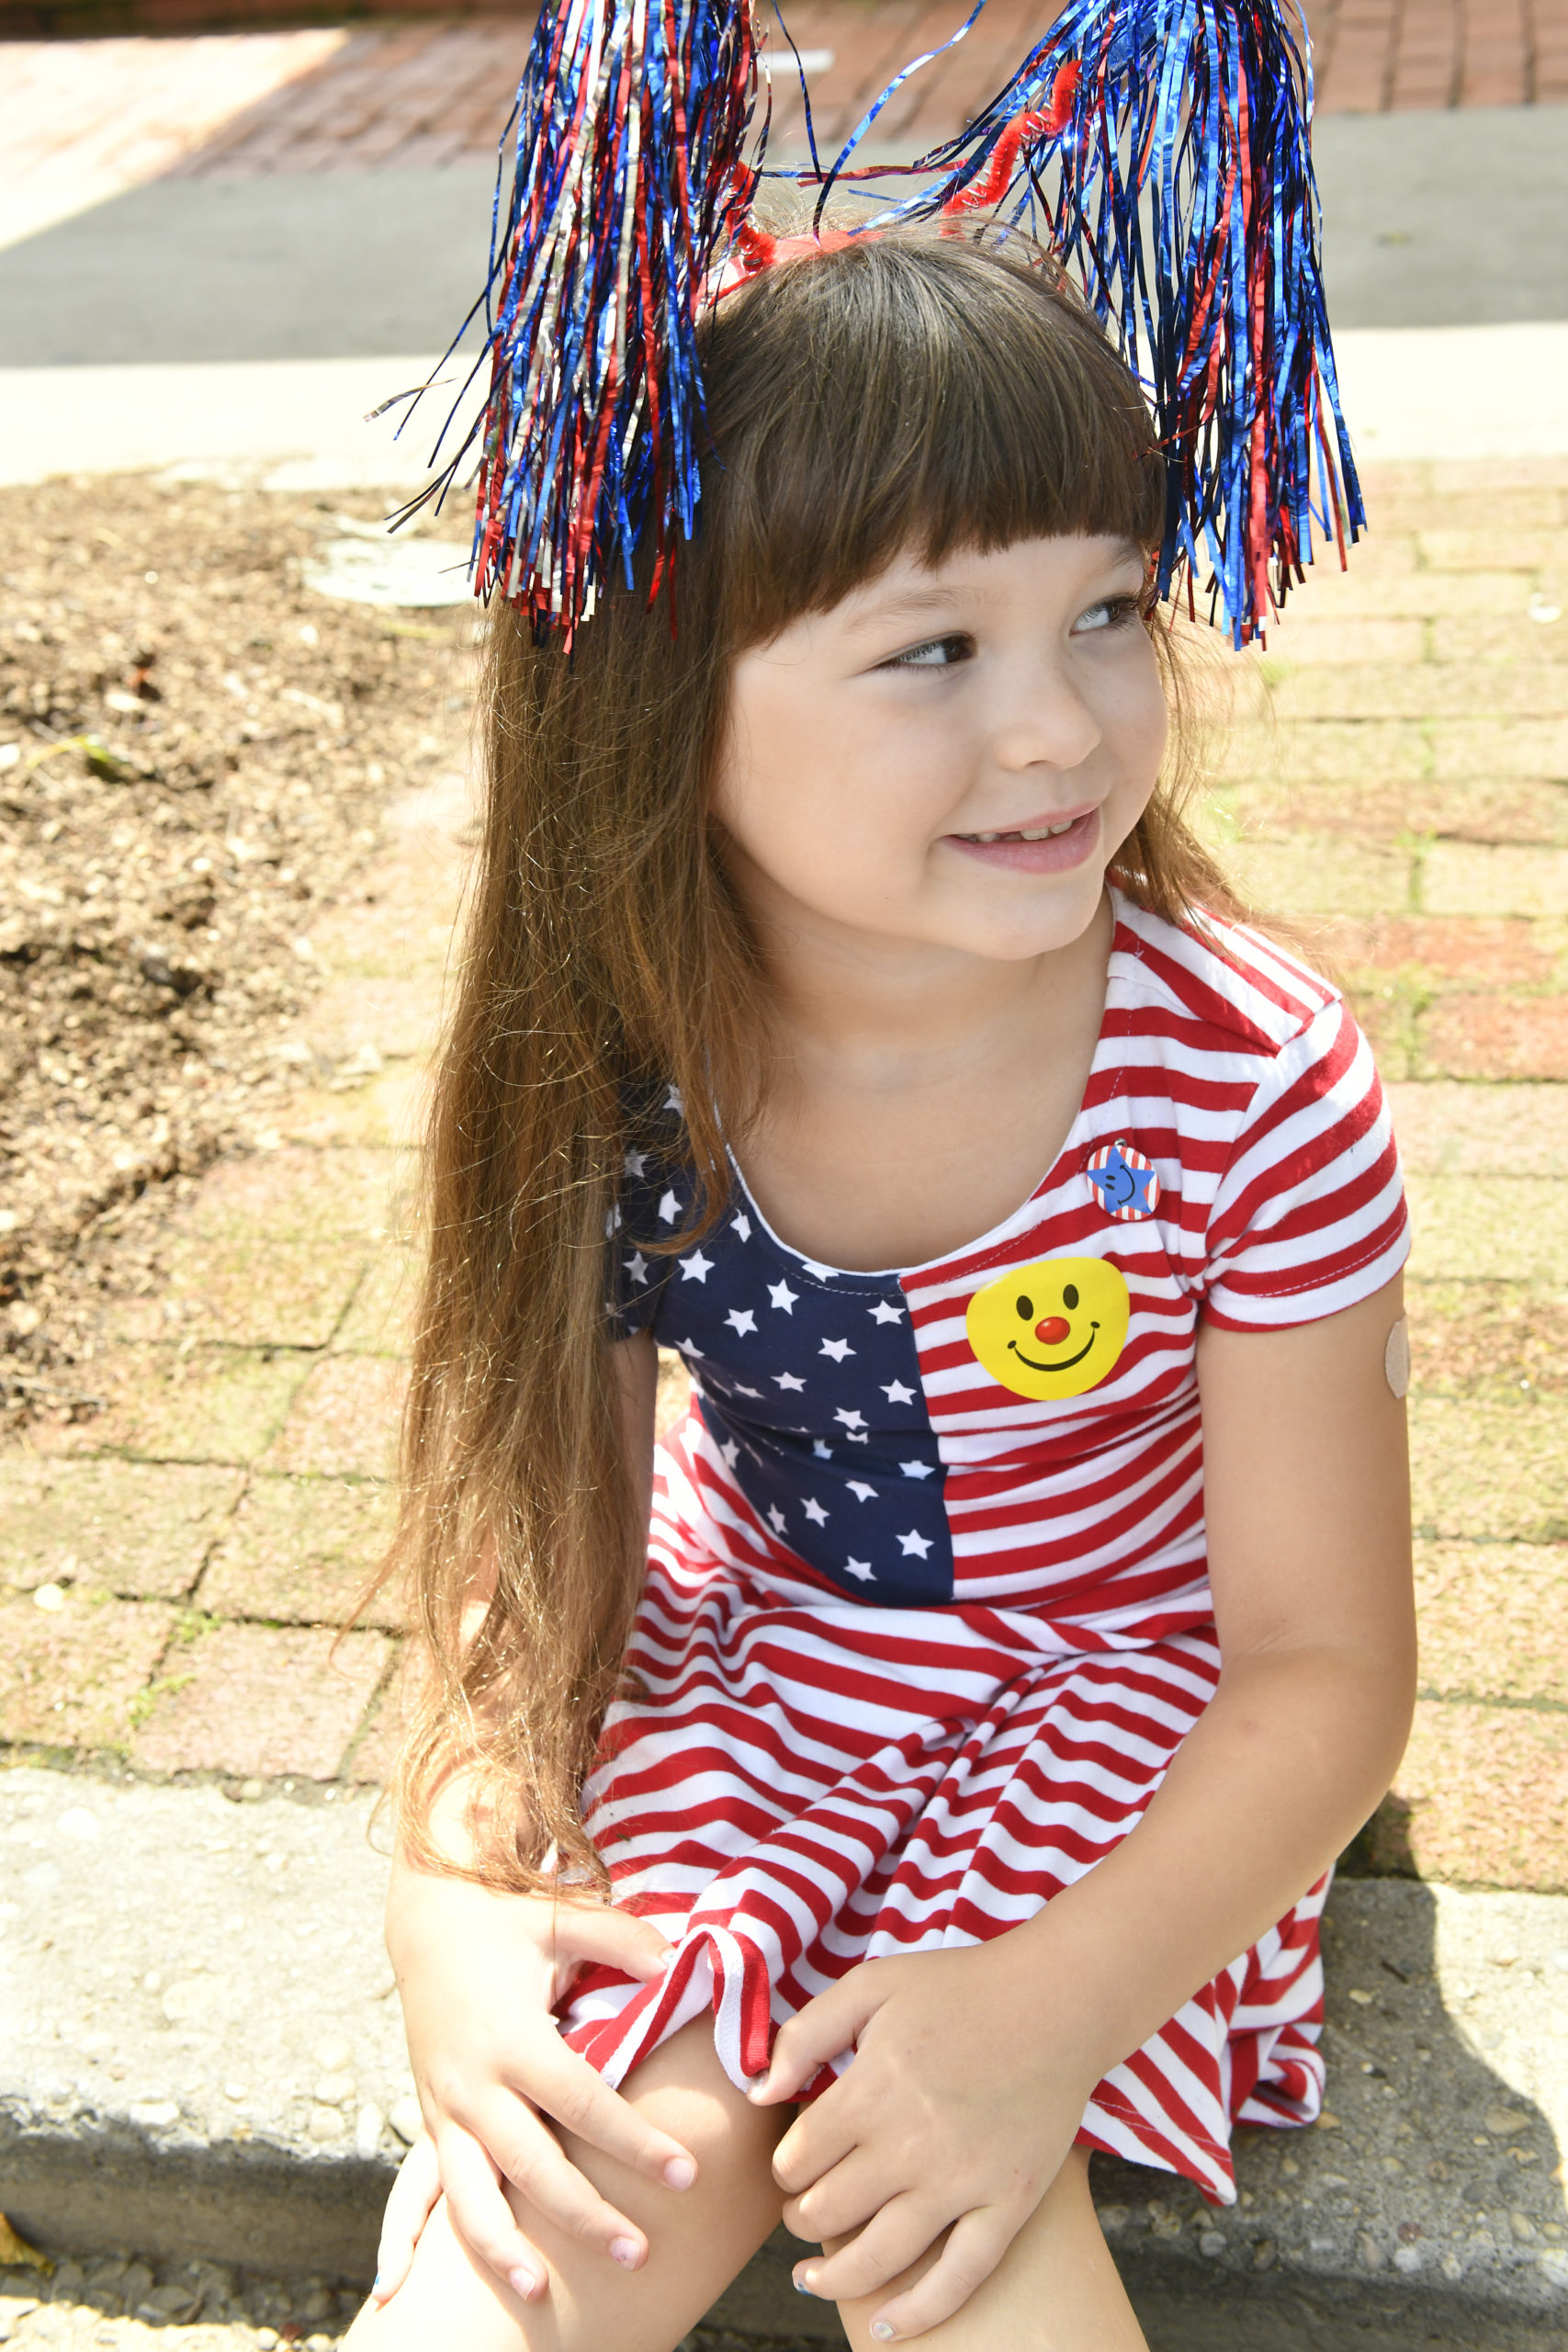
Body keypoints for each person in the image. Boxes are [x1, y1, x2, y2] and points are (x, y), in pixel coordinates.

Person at [341, 228, 1415, 2352]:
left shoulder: (1245, 1086)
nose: (1056, 724)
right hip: (760, 1671)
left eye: (1104, 608)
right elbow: (536, 1520)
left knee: (939, 2180)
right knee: (573, 2180)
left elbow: (1320, 1675)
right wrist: (445, 1878)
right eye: (931, 647)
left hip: (1133, 1718)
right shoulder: (623, 1045)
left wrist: (1033, 2017)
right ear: (659, 694)